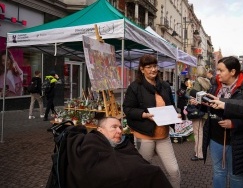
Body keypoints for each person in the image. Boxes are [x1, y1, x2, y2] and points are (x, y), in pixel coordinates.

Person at [193, 56, 243, 188]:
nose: (218, 74)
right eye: (217, 70)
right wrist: (200, 104)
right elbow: (210, 107)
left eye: (221, 70)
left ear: (232, 72)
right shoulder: (215, 86)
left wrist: (234, 123)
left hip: (237, 140)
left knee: (236, 175)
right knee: (218, 172)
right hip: (215, 139)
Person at [123, 54, 181, 188]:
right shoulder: (135, 87)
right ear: (142, 69)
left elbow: (171, 105)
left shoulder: (164, 86)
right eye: (148, 67)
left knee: (174, 170)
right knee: (143, 171)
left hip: (163, 135)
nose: (153, 70)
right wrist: (144, 114)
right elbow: (128, 108)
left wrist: (176, 114)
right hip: (145, 136)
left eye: (154, 66)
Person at [65, 117, 173, 188]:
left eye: (120, 128)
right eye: (114, 127)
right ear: (100, 130)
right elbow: (87, 170)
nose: (119, 131)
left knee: (155, 171)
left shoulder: (125, 144)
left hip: (138, 178)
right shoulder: (91, 140)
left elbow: (138, 160)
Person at [187, 66, 211, 161]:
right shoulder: (207, 82)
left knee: (197, 133)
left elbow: (194, 95)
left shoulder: (198, 81)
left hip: (197, 110)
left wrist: (189, 89)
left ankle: (198, 153)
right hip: (205, 110)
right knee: (201, 132)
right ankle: (200, 152)